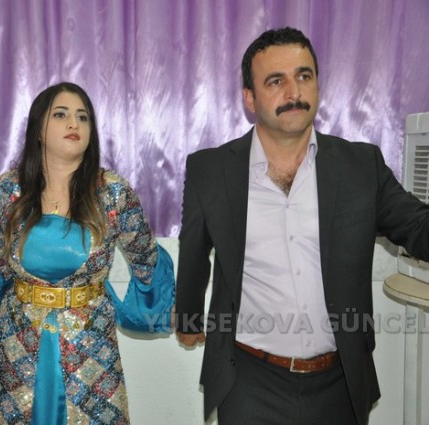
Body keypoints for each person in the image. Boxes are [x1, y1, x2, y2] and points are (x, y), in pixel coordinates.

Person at [175, 26, 429, 425]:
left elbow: (416, 225)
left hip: (340, 382)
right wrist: (188, 317)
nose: (294, 92)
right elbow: (193, 251)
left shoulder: (361, 166)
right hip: (249, 381)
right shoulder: (211, 170)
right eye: (276, 81)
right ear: (249, 98)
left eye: (304, 76)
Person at [0, 82, 175, 424]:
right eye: (61, 115)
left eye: (83, 117)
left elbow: (146, 259)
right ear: (39, 130)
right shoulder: (9, 190)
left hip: (90, 345)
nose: (74, 124)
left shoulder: (112, 192)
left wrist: (162, 310)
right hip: (19, 340)